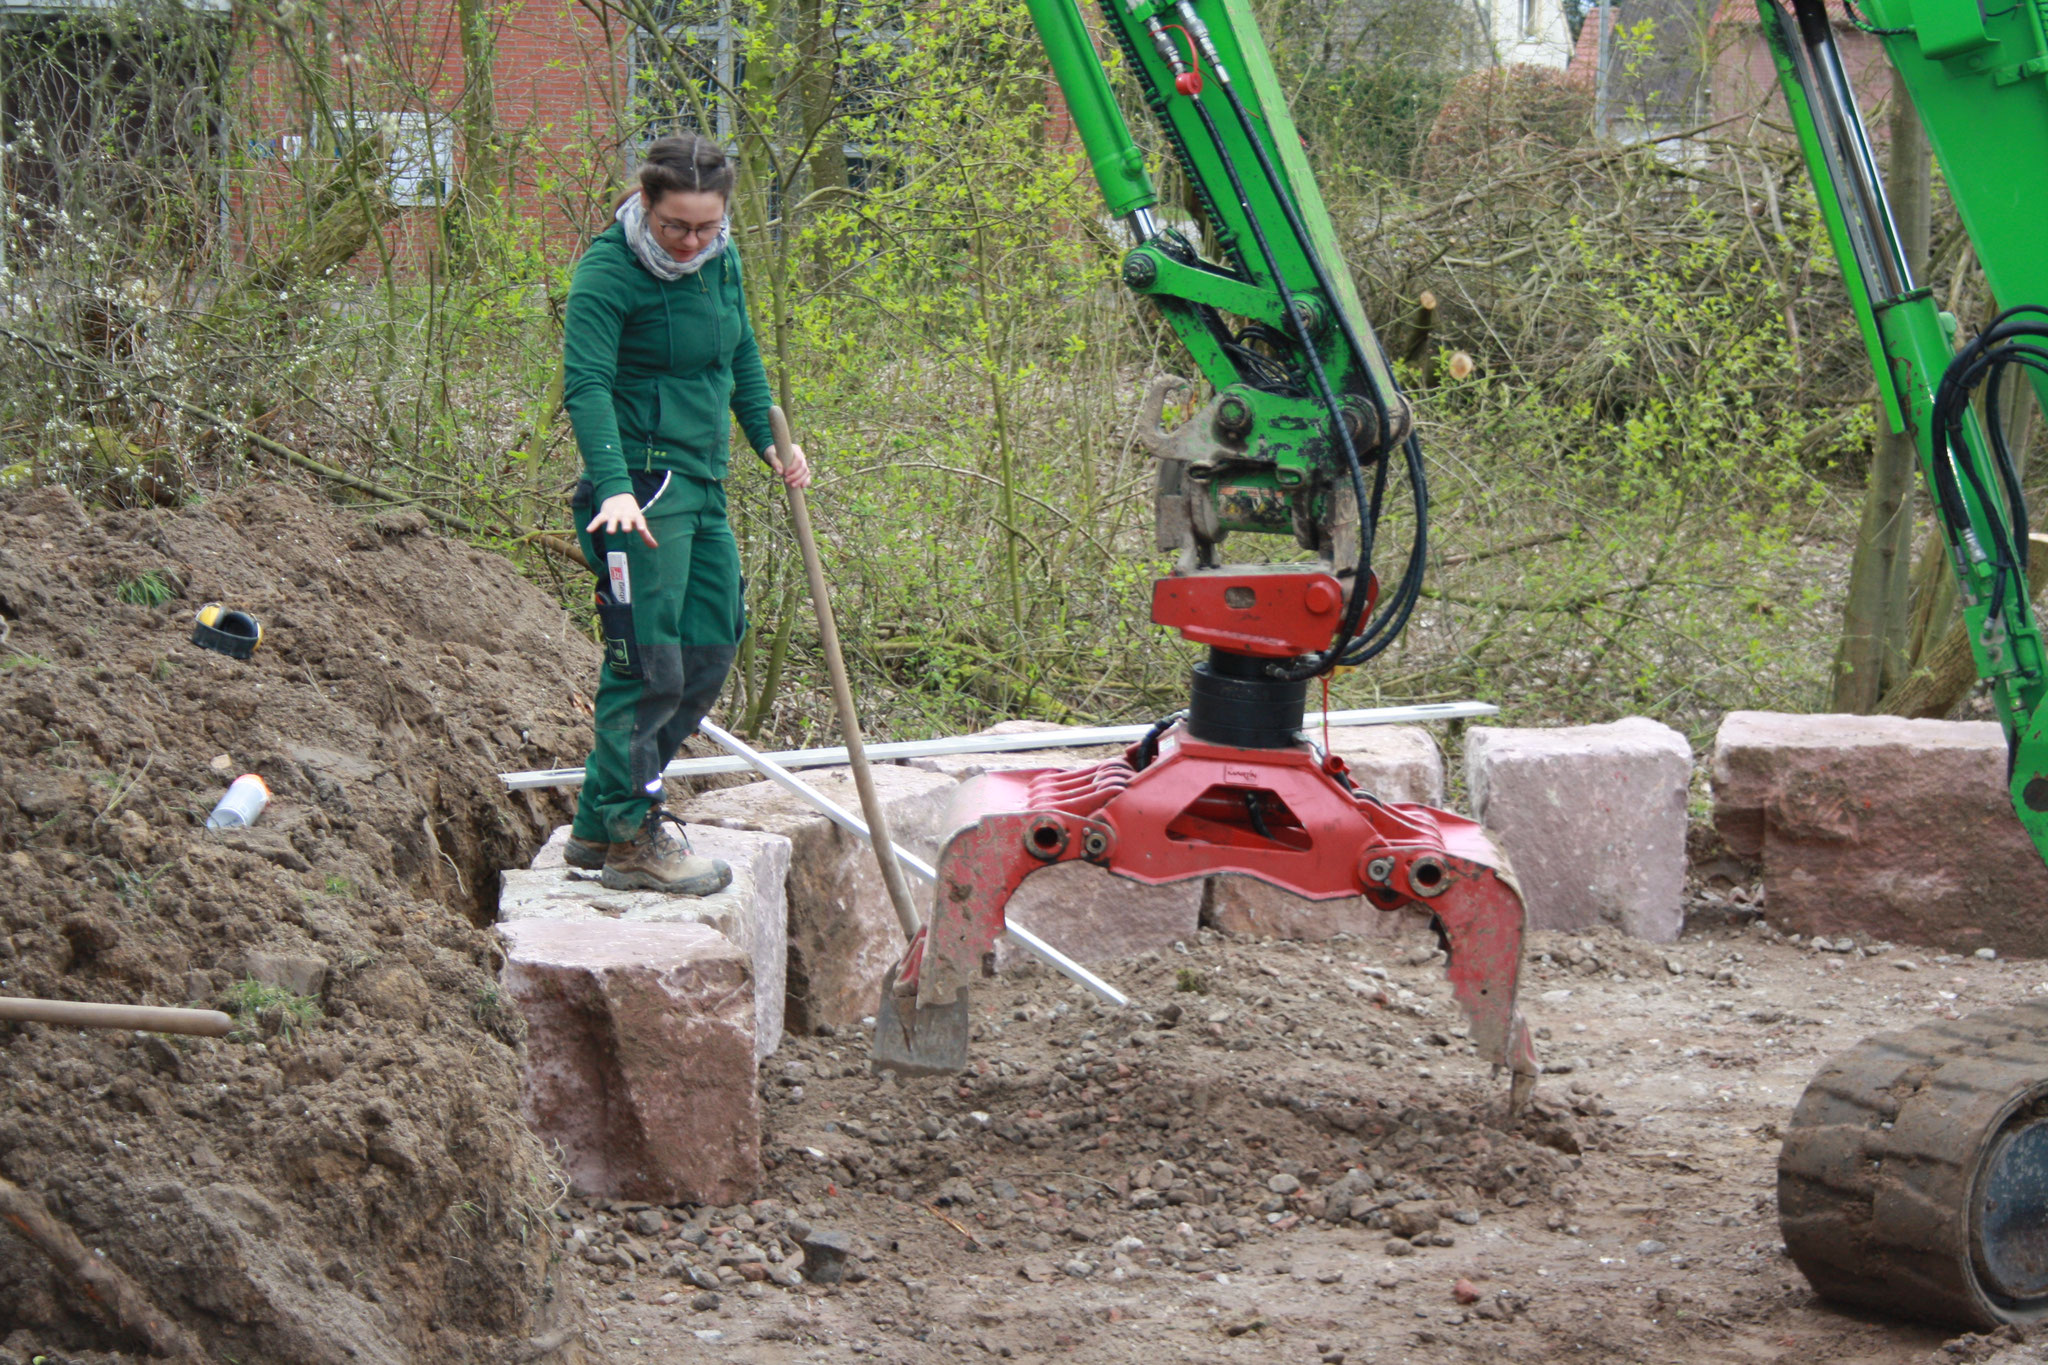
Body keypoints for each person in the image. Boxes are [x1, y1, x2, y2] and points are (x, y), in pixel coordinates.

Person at [559, 133, 810, 895]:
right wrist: (613, 487)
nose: (693, 242)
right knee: (647, 663)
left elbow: (740, 355)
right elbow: (587, 384)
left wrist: (771, 437)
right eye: (677, 227)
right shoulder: (609, 271)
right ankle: (633, 834)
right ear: (644, 203)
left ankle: (602, 819)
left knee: (709, 647)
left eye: (708, 226)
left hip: (705, 482)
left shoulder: (720, 260)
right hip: (639, 491)